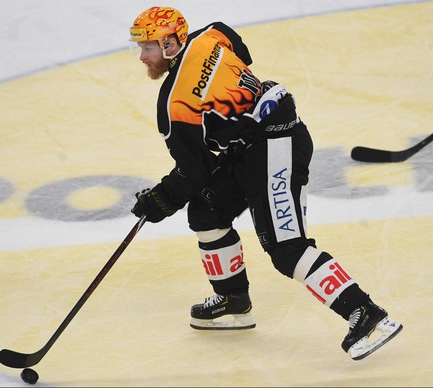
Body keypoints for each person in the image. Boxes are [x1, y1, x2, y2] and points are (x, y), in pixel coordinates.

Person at [128, 5, 402, 360]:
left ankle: (366, 314)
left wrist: (159, 201)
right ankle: (233, 300)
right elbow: (234, 40)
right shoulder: (208, 36)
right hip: (252, 144)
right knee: (207, 212)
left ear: (169, 43)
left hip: (276, 145)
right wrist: (235, 107)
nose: (141, 57)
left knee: (286, 247)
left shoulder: (175, 102)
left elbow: (193, 172)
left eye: (147, 47)